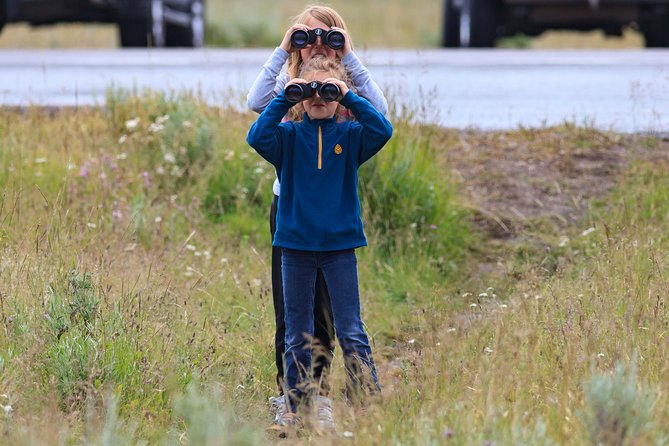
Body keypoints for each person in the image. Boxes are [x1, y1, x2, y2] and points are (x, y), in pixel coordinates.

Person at [245, 5, 389, 429]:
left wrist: (344, 80)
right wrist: (290, 74)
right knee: (292, 320)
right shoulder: (289, 109)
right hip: (292, 223)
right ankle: (295, 400)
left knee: (341, 321)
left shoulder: (347, 116)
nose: (318, 43)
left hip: (337, 237)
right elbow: (257, 115)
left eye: (329, 35)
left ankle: (334, 398)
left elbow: (381, 120)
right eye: (308, 35)